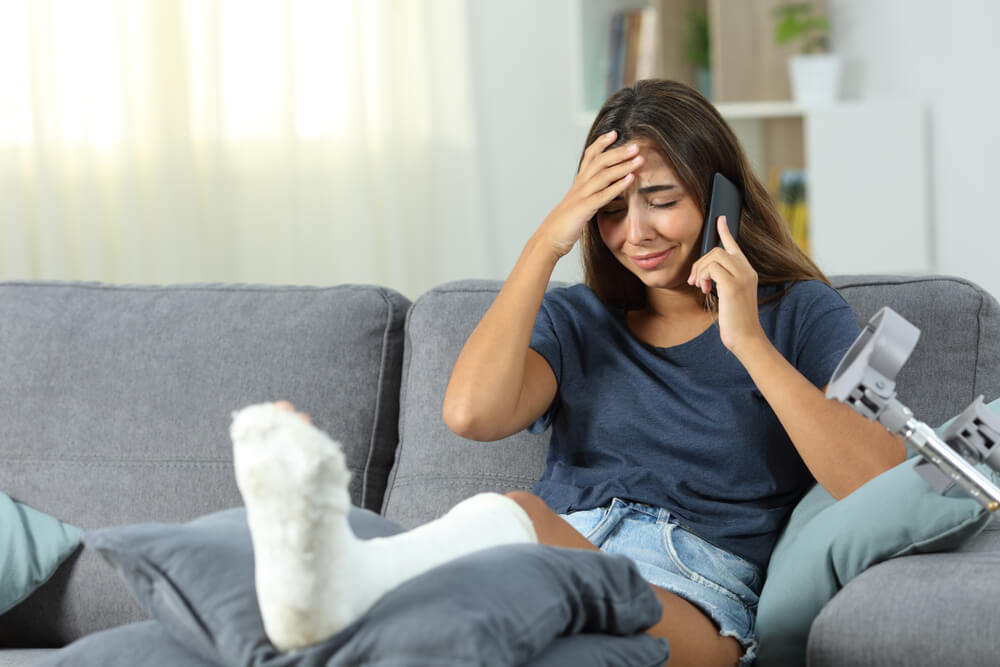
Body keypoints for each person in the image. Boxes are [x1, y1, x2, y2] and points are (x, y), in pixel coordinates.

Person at [231, 79, 905, 666]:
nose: (633, 231)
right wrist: (546, 241)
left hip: (695, 590)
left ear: (719, 197)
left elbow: (879, 476)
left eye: (661, 199)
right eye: (610, 208)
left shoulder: (801, 313)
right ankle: (343, 582)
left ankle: (344, 570)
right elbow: (470, 413)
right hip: (555, 548)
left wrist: (748, 340)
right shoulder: (580, 318)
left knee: (516, 534)